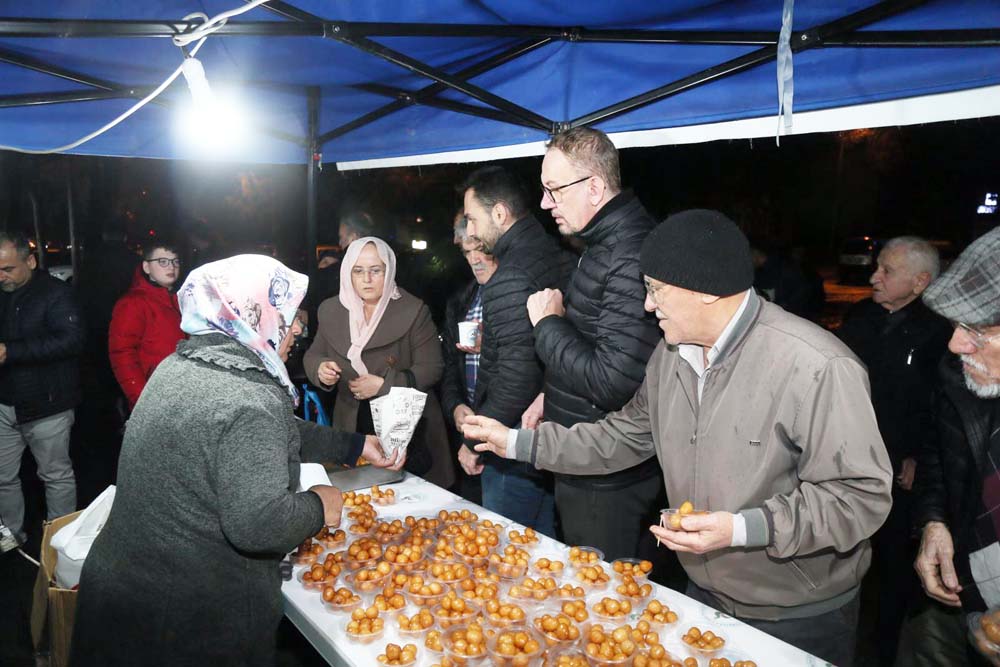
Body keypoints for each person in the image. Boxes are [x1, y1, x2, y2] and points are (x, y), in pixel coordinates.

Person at [465, 210, 893, 665]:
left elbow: (859, 497)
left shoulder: (816, 366)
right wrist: (516, 443)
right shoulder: (671, 357)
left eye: (655, 289)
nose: (648, 306)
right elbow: (620, 437)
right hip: (702, 592)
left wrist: (742, 528)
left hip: (796, 615)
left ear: (705, 291)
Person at [69, 254, 404, 666]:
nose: (298, 328)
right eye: (288, 313)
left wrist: (352, 447)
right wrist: (320, 503)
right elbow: (258, 523)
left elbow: (267, 431)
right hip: (184, 621)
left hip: (124, 595)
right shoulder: (247, 397)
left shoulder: (182, 364)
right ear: (252, 314)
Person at [524, 126, 662, 561]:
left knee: (606, 612)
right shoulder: (604, 240)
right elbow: (594, 339)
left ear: (595, 187)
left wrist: (546, 325)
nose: (546, 203)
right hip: (586, 458)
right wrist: (550, 394)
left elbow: (611, 382)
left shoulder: (629, 250)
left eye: (554, 190)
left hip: (608, 476)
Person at [837, 236, 950, 664]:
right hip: (846, 461)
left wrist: (918, 457)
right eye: (877, 267)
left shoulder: (941, 332)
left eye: (887, 270)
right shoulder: (861, 317)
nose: (873, 277)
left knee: (892, 572)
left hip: (900, 476)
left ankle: (880, 650)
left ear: (920, 282)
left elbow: (946, 407)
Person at [904, 227, 1000, 666]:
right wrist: (933, 524)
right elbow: (939, 460)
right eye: (956, 325)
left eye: (977, 330)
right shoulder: (956, 373)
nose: (955, 344)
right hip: (955, 591)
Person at [459, 165, 572, 536]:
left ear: (500, 213)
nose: (470, 231)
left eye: (472, 220)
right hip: (548, 436)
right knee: (542, 556)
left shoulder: (509, 276)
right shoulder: (550, 251)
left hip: (513, 446)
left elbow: (515, 376)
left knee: (507, 559)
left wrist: (474, 440)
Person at [304, 237, 455, 490]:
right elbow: (313, 355)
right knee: (360, 508)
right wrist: (320, 369)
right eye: (358, 271)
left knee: (414, 510)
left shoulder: (413, 310)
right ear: (347, 273)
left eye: (376, 271)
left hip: (407, 427)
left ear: (389, 271)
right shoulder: (331, 310)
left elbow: (433, 367)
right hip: (353, 424)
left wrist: (385, 385)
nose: (367, 279)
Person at [0, 231, 84, 547]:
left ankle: (60, 543)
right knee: (2, 477)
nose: (1, 276)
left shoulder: (56, 294)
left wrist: (11, 351)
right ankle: (9, 539)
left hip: (48, 403)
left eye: (8, 269)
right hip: (5, 402)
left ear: (30, 261)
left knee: (56, 477)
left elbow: (72, 340)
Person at [440, 234, 499, 503]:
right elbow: (451, 366)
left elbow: (526, 370)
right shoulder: (462, 300)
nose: (474, 259)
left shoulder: (517, 295)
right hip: (470, 430)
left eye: (481, 249)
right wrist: (455, 405)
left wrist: (490, 348)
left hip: (506, 431)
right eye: (467, 252)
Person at [108, 240, 186, 411]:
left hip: (181, 395)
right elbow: (122, 354)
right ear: (146, 267)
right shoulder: (133, 303)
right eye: (162, 262)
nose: (171, 267)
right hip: (154, 398)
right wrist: (142, 400)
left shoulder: (181, 299)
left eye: (175, 261)